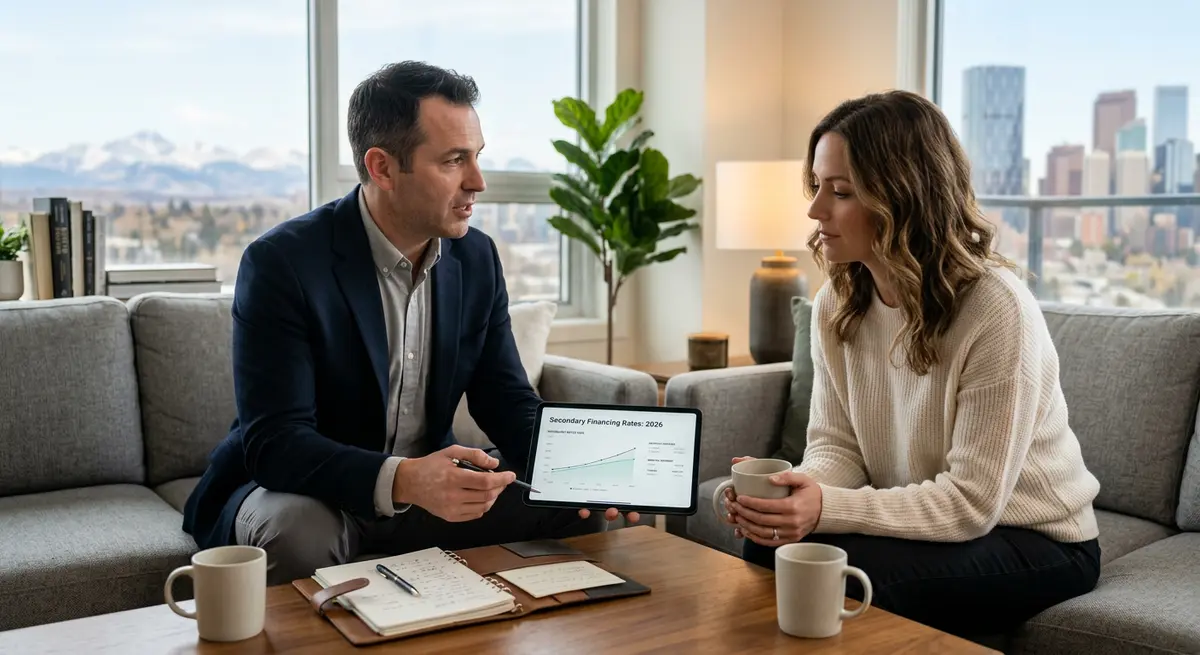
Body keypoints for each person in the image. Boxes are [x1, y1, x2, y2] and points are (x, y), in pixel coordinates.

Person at [183, 61, 638, 585]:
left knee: (571, 506)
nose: (478, 181)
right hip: (313, 491)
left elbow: (506, 401)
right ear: (381, 168)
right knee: (297, 532)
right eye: (454, 160)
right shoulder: (282, 263)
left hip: (431, 486)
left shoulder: (477, 258)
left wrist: (584, 469)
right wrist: (405, 479)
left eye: (477, 156)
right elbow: (276, 441)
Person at [721, 90, 1102, 640]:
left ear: (903, 197)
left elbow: (972, 503)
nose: (815, 210)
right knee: (771, 547)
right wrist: (789, 494)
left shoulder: (996, 308)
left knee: (861, 580)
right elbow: (838, 448)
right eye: (817, 186)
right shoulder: (836, 304)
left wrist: (826, 508)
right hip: (943, 520)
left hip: (1038, 538)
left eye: (841, 192)